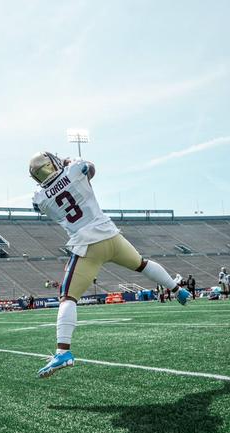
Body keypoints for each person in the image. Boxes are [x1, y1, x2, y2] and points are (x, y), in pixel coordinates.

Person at [30, 151, 191, 378]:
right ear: (53, 163)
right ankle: (178, 290)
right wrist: (69, 163)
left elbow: (40, 204)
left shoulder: (40, 197)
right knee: (142, 264)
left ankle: (63, 352)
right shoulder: (73, 169)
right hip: (112, 237)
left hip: (87, 246)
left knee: (68, 298)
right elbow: (91, 169)